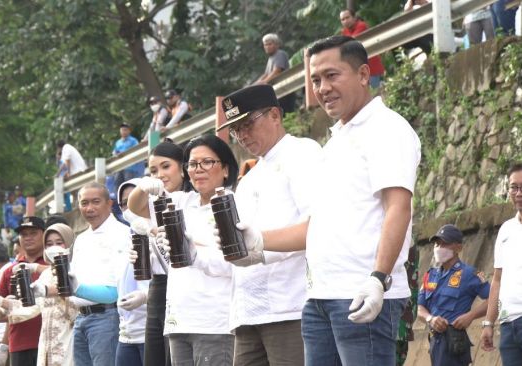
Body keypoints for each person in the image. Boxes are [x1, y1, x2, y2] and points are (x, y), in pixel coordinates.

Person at [230, 35, 421, 365]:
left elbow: (397, 207)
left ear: (363, 74)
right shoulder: (336, 141)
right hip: (319, 296)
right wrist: (259, 240)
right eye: (316, 79)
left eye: (333, 75)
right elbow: (317, 225)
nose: (323, 88)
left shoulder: (387, 129)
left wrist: (378, 278)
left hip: (360, 293)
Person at [215, 84, 323, 365]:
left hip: (291, 305)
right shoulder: (249, 176)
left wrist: (259, 242)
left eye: (247, 124)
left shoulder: (302, 153)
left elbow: (320, 228)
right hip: (249, 309)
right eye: (235, 129)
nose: (242, 135)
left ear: (275, 115)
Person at [154, 134, 238, 365]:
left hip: (214, 322)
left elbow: (236, 263)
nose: (198, 169)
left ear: (226, 170)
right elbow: (137, 206)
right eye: (192, 164)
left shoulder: (232, 204)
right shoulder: (182, 202)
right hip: (180, 320)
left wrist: (196, 254)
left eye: (207, 162)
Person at [127, 140, 191, 366]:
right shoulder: (154, 201)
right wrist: (143, 187)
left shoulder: (192, 199)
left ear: (183, 167)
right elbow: (133, 206)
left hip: (188, 283)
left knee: (176, 354)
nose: (160, 174)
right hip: (159, 285)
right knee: (154, 353)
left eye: (166, 166)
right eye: (154, 170)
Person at [70, 182, 130, 366]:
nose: (89, 208)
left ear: (109, 203)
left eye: (95, 202)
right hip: (80, 318)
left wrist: (78, 289)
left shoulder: (122, 233)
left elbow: (116, 291)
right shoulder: (81, 238)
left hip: (107, 317)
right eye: (84, 203)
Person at [417, 224, 490, 366]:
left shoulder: (469, 273)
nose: (439, 248)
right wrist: (430, 318)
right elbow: (419, 308)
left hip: (455, 342)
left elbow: (494, 299)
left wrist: (470, 316)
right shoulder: (430, 275)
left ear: (458, 248)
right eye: (437, 244)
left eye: (445, 244)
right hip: (435, 342)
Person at [18, 223, 78, 366]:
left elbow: (75, 306)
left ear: (70, 243)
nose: (54, 248)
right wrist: (1, 303)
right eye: (49, 244)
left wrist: (47, 290)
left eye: (59, 242)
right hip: (46, 344)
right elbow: (32, 309)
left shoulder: (76, 270)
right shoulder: (46, 275)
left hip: (69, 340)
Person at [481, 162, 522, 364]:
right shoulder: (505, 230)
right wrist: (489, 322)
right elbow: (497, 280)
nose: (518, 193)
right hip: (508, 325)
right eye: (514, 187)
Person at [0, 216, 48, 366]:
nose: (28, 238)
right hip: (19, 343)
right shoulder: (10, 270)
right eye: (24, 234)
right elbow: (1, 308)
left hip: (51, 340)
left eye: (33, 233)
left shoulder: (50, 264)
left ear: (44, 234)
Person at [114, 180, 149, 366]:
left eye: (134, 199)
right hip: (127, 333)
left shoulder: (158, 232)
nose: (128, 207)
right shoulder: (125, 239)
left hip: (151, 331)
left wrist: (145, 296)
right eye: (123, 203)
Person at [340, 9, 385, 88]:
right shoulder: (344, 32)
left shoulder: (361, 26)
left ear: (354, 17)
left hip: (372, 68)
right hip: (359, 70)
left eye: (347, 18)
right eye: (343, 19)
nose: (345, 21)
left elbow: (351, 42)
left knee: (376, 93)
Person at [112, 124, 144, 190]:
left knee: (129, 184)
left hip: (130, 167)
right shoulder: (118, 142)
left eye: (125, 130)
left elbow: (136, 151)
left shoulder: (133, 141)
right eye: (122, 130)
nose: (123, 131)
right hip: (119, 167)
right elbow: (114, 152)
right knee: (118, 184)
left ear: (129, 131)